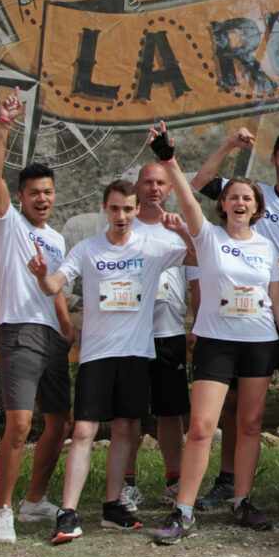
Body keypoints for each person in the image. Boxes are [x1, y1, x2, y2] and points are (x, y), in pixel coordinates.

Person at [143, 122, 279, 542]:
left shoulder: (267, 248)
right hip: (216, 343)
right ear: (223, 206)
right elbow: (188, 196)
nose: (240, 202)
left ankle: (242, 502)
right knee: (202, 427)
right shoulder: (207, 237)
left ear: (257, 208)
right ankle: (183, 511)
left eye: (247, 198)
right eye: (233, 197)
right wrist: (167, 159)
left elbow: (278, 301)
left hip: (260, 343)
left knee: (249, 426)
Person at [28, 179, 190, 544]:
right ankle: (68, 514)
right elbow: (54, 285)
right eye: (115, 208)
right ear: (104, 208)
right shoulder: (86, 248)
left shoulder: (153, 248)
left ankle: (112, 507)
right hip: (97, 356)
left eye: (128, 209)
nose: (121, 216)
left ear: (137, 211)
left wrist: (183, 231)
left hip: (135, 354)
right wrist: (41, 275)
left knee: (123, 432)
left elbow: (199, 255)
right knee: (84, 431)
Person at [189, 127, 279, 510]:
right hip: (247, 317)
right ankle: (226, 480)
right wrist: (230, 144)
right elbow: (200, 182)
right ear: (274, 159)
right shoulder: (251, 196)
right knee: (233, 403)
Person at [0, 88, 74, 544]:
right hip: (17, 332)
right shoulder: (9, 224)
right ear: (20, 196)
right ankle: (2, 511)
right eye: (34, 192)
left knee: (59, 422)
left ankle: (35, 500)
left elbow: (54, 285)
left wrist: (66, 325)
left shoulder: (57, 238)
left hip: (51, 337)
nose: (42, 198)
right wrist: (4, 124)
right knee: (19, 425)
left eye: (48, 192)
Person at [116, 163, 201, 513]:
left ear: (169, 189)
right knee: (130, 412)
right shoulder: (124, 228)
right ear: (137, 187)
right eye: (147, 182)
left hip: (169, 334)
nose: (154, 188)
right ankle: (127, 483)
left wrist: (196, 324)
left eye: (160, 183)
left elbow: (197, 279)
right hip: (130, 336)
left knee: (171, 413)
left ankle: (174, 480)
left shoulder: (177, 228)